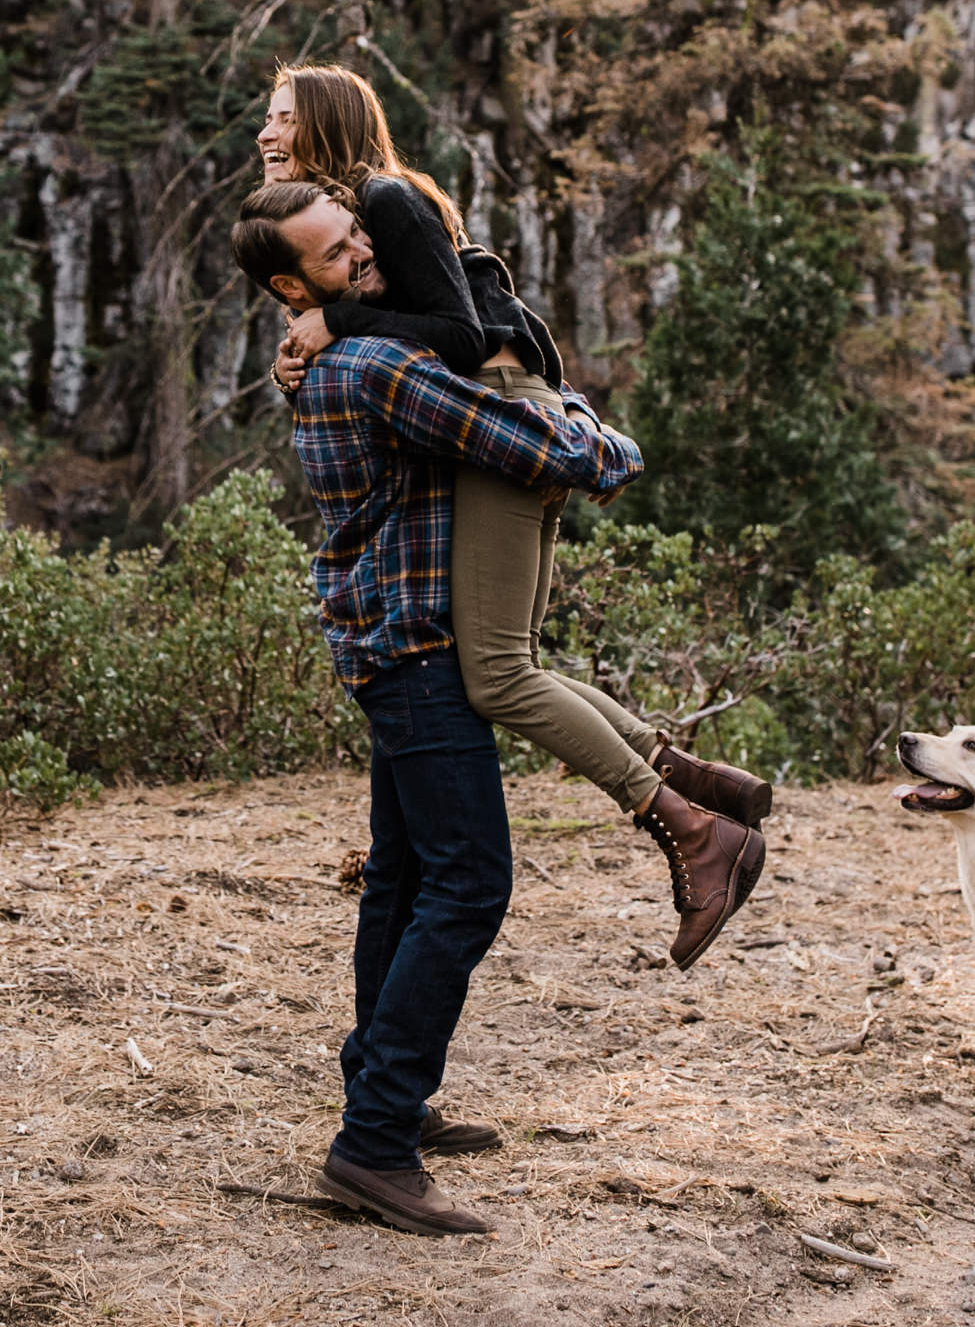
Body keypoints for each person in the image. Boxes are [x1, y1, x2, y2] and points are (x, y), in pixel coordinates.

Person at [229, 181, 766, 1236]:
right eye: (337, 260)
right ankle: (373, 1144)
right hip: (422, 656)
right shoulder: (377, 365)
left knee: (403, 879)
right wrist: (611, 442)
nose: (366, 260)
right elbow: (550, 452)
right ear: (291, 285)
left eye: (362, 240)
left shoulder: (337, 349)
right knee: (471, 882)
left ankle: (388, 1100)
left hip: (385, 644)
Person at [255, 63, 772, 968]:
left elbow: (457, 337)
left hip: (496, 410)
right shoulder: (364, 216)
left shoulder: (387, 199)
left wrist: (335, 322)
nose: (266, 133)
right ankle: (684, 775)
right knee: (513, 663)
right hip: (497, 407)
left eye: (282, 117)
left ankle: (691, 828)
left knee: (492, 675)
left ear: (325, 124)